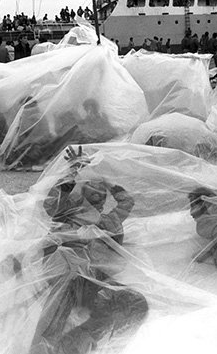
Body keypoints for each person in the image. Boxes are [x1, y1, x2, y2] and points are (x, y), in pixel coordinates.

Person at [33, 146, 149, 353]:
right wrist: (73, 171)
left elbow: (127, 201)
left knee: (135, 303)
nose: (97, 190)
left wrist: (108, 182)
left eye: (101, 190)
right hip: (67, 271)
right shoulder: (67, 213)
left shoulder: (108, 221)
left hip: (93, 277)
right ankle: (44, 347)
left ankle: (79, 338)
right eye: (92, 186)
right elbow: (52, 204)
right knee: (62, 297)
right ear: (82, 191)